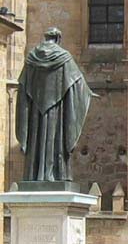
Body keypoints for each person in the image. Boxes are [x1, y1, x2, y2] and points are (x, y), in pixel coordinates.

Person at [16, 27, 95, 182]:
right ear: (58, 38)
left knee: (36, 139)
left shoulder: (31, 58)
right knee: (56, 138)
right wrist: (89, 93)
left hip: (35, 113)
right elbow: (77, 82)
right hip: (57, 112)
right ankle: (57, 174)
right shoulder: (64, 57)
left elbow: (23, 86)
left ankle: (34, 173)